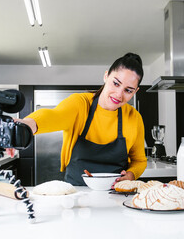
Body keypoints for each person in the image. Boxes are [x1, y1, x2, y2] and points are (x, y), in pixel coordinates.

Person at [8, 53, 147, 186]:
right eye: (116, 83)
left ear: (135, 91)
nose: (118, 94)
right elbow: (53, 116)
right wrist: (25, 125)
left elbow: (140, 161)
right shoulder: (81, 104)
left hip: (115, 194)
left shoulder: (134, 118)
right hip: (77, 193)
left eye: (128, 90)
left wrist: (131, 175)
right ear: (106, 76)